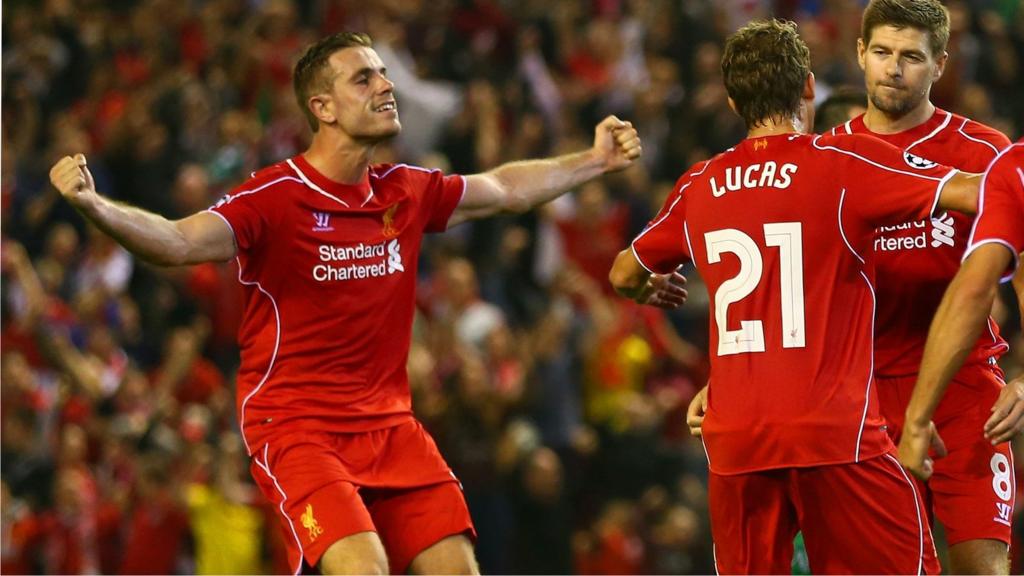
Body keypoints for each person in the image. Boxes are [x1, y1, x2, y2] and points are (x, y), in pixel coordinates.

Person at [49, 31, 644, 575]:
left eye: (384, 74)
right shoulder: (274, 197)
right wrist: (96, 207)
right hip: (296, 428)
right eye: (364, 78)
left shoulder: (404, 191)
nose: (385, 86)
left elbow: (505, 189)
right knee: (365, 569)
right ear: (322, 108)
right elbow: (178, 243)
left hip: (390, 426)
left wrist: (594, 160)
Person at [609, 19, 981, 574]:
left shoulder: (700, 183)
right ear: (809, 87)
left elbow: (622, 273)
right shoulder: (842, 168)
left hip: (735, 441)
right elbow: (973, 192)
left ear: (734, 99)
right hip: (835, 435)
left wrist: (651, 285)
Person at [833, 1, 1017, 571]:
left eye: (911, 57)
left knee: (982, 566)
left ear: (940, 63)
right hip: (858, 398)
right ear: (860, 53)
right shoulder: (825, 155)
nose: (894, 68)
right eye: (883, 52)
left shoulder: (986, 154)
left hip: (967, 393)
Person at [898, 141, 1022, 499]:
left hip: (966, 395)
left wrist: (917, 418)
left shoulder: (1008, 162)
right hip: (868, 394)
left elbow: (973, 291)